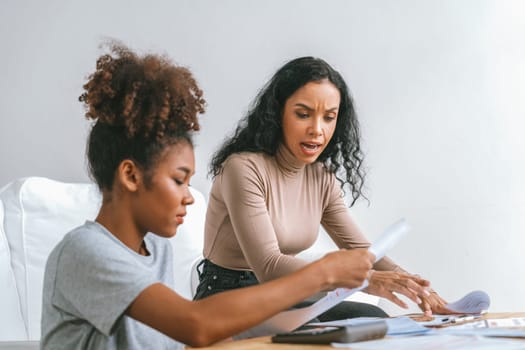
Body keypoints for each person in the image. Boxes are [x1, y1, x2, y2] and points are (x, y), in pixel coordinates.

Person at [40, 43, 378, 349]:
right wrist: (324, 274)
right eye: (179, 180)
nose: (190, 197)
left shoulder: (154, 249)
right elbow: (194, 325)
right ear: (130, 175)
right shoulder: (85, 251)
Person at [194, 56, 450, 320]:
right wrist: (366, 279)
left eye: (329, 117)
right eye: (303, 115)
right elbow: (269, 265)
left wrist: (414, 286)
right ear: (278, 113)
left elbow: (362, 250)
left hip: (284, 293)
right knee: (315, 333)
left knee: (373, 318)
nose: (317, 130)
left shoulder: (320, 177)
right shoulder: (243, 168)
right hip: (227, 295)